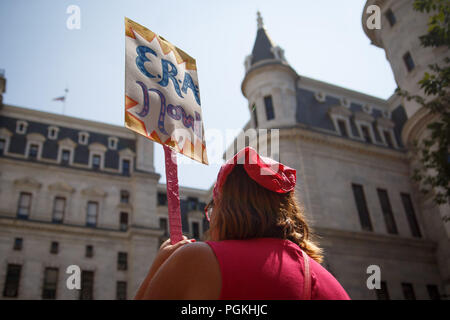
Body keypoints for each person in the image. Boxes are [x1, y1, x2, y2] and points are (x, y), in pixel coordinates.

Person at [135, 147, 350, 300]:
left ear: (224, 207)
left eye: (212, 209)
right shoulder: (327, 279)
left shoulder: (197, 258)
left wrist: (158, 266)